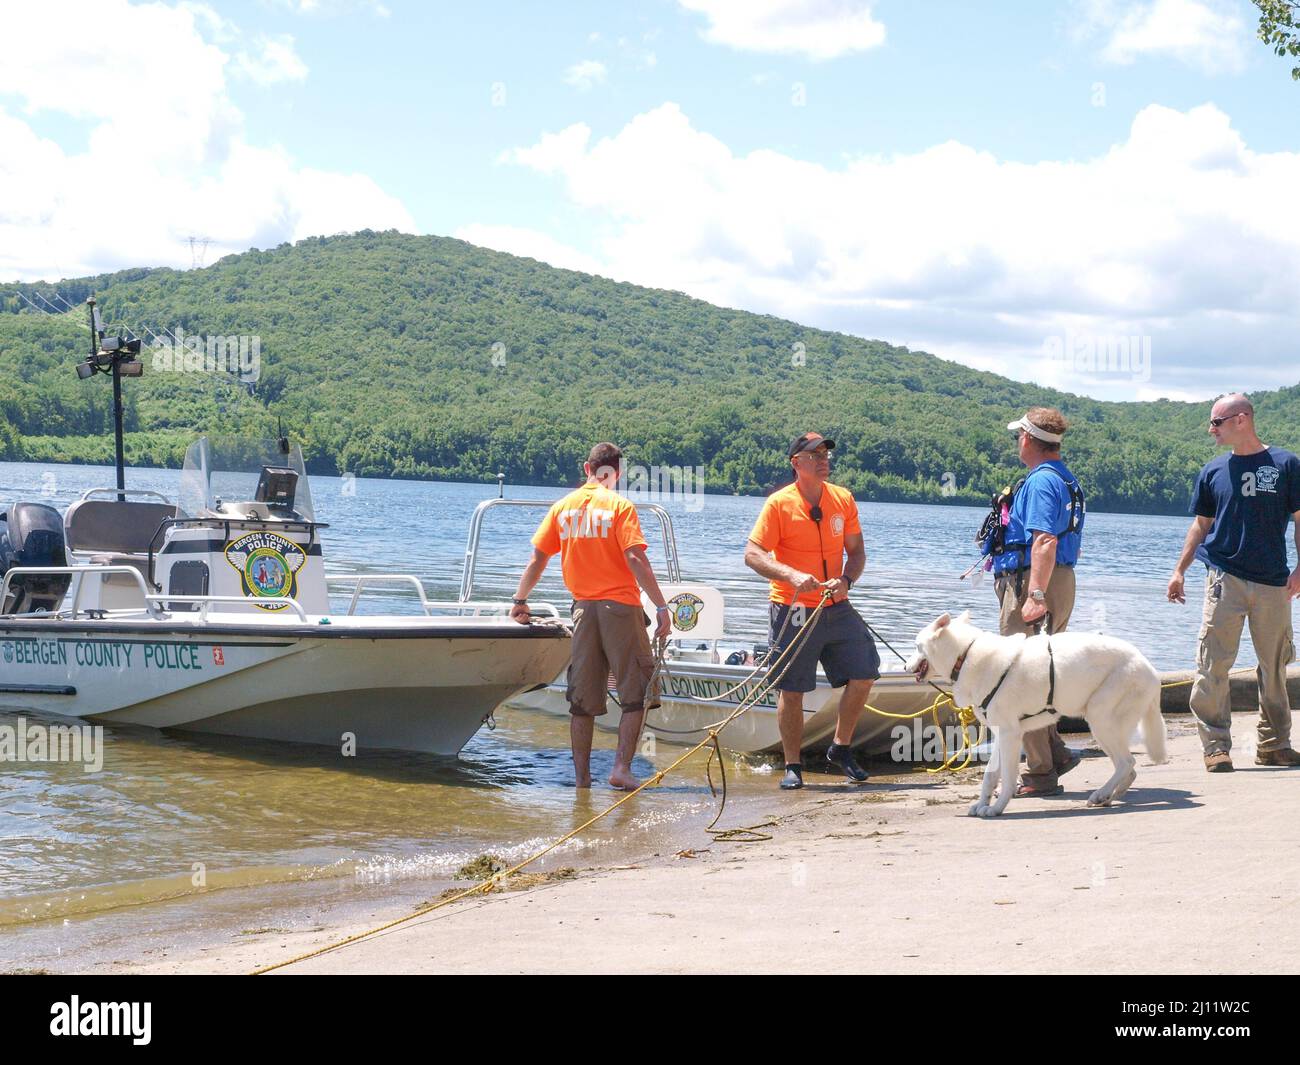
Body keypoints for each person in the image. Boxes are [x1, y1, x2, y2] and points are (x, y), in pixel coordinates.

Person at [511, 442, 671, 789]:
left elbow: (538, 558)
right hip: (621, 608)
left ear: (587, 468)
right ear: (616, 473)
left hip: (582, 610)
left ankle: (582, 781)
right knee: (637, 694)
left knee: (582, 700)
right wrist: (660, 606)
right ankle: (621, 769)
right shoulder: (619, 506)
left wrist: (520, 599)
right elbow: (634, 558)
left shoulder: (563, 507)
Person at [1167, 394, 1300, 772]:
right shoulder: (1213, 470)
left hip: (1274, 582)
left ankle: (1274, 745)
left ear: (1241, 419)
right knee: (1213, 664)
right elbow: (1200, 525)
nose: (1211, 429)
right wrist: (1179, 570)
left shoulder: (1287, 464)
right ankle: (1215, 747)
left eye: (1216, 422)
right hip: (1223, 578)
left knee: (1274, 666)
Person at [743, 432, 880, 790]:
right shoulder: (778, 504)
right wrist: (790, 574)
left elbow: (858, 553)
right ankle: (793, 765)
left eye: (826, 453)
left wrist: (847, 581)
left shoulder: (843, 499)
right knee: (792, 689)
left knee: (864, 673)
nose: (823, 459)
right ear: (796, 463)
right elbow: (752, 554)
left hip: (837, 605)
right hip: (793, 609)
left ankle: (840, 747)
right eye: (814, 454)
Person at [991, 408, 1086, 797]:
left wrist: (1034, 595)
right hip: (1056, 580)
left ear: (1028, 439)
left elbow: (1044, 539)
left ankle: (1040, 772)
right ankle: (1056, 753)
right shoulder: (1063, 477)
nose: (1017, 442)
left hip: (1036, 581)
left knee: (1018, 676)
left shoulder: (1044, 481)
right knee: (1040, 674)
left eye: (1019, 436)